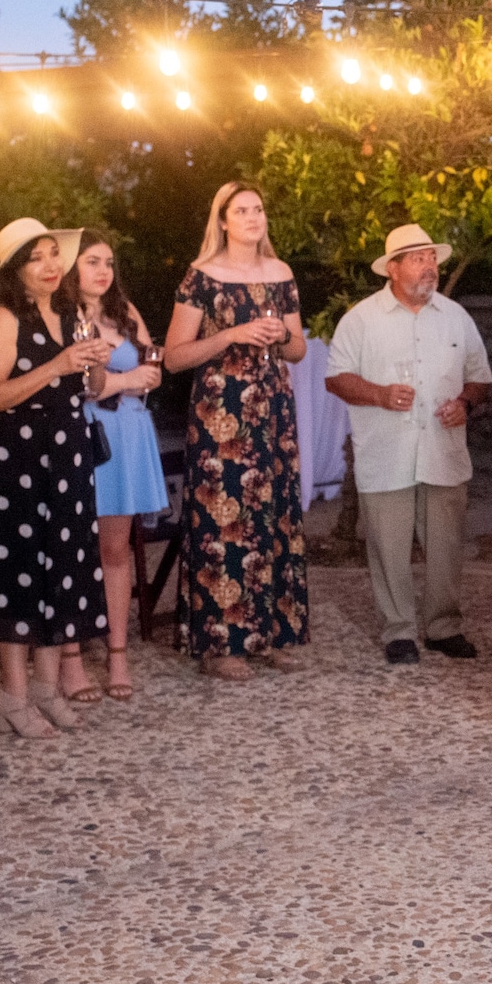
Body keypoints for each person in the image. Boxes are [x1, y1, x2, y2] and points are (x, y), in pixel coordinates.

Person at [0, 218, 112, 737]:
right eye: (36, 257)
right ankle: (13, 697)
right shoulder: (1, 318)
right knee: (17, 572)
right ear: (15, 271)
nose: (50, 265)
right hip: (12, 458)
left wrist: (93, 366)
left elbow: (90, 386)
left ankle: (46, 688)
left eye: (52, 254)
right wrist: (59, 364)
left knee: (61, 568)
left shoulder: (70, 313)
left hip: (65, 452)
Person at [325, 224, 492, 666]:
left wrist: (466, 405)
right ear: (393, 268)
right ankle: (398, 631)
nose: (430, 266)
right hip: (385, 452)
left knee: (446, 546)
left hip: (443, 450)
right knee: (387, 546)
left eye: (433, 258)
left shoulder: (457, 316)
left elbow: (480, 378)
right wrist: (379, 394)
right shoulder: (360, 319)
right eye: (419, 258)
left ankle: (443, 628)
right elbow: (335, 377)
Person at [162, 182, 309, 681]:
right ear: (222, 220)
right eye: (241, 210)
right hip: (221, 413)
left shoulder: (280, 272)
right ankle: (221, 644)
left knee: (273, 515)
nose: (252, 217)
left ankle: (269, 634)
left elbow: (298, 350)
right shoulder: (202, 277)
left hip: (272, 410)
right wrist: (231, 335)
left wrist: (281, 334)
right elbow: (174, 355)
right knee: (224, 520)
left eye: (259, 209)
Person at [64, 230, 167, 700]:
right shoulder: (60, 317)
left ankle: (118, 653)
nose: (103, 270)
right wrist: (124, 379)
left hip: (125, 433)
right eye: (91, 261)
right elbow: (74, 386)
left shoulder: (123, 314)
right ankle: (69, 657)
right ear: (71, 267)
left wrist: (139, 379)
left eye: (108, 262)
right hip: (79, 434)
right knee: (70, 547)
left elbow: (152, 364)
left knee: (116, 548)